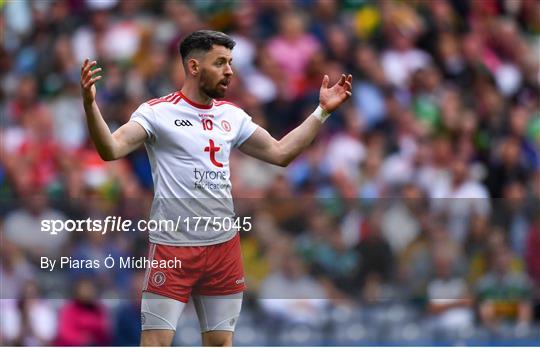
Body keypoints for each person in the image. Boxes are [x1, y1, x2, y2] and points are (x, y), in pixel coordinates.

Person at [80, 30, 352, 346]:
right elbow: (110, 149)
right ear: (194, 67)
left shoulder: (232, 116)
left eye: (231, 62)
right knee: (155, 342)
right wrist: (90, 105)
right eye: (220, 62)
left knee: (221, 342)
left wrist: (322, 112)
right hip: (174, 246)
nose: (230, 71)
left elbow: (281, 153)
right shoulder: (158, 112)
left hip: (222, 246)